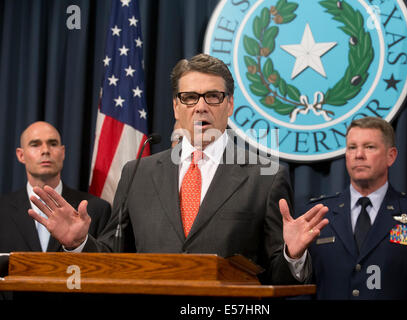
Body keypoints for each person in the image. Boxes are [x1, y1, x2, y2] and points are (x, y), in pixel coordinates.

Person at [27, 54, 329, 285]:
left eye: (213, 96)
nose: (201, 107)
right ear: (176, 106)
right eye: (189, 97)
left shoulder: (265, 175)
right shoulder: (137, 173)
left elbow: (279, 277)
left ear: (230, 104)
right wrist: (79, 243)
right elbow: (113, 260)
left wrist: (294, 255)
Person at [293, 117, 407, 299]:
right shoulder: (317, 214)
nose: (359, 154)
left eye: (369, 147)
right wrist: (292, 256)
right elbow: (298, 290)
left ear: (391, 156)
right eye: (352, 147)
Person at [0, 121, 111, 253]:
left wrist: (78, 245)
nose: (46, 150)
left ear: (62, 152)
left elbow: (109, 266)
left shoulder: (97, 209)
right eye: (35, 145)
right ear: (21, 155)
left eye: (53, 144)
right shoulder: (2, 209)